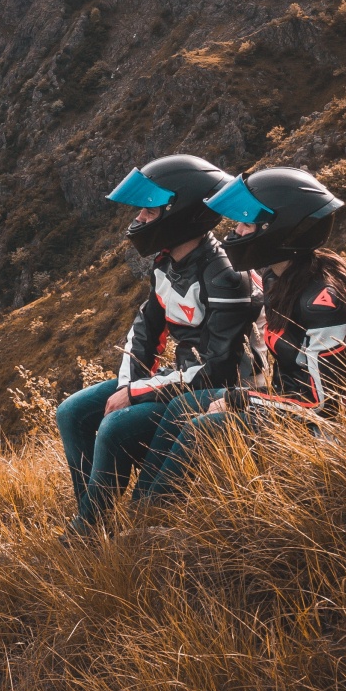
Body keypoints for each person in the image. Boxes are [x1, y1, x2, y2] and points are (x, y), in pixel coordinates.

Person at [132, 166, 346, 501]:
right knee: (183, 406)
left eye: (246, 223)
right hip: (293, 409)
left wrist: (243, 399)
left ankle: (155, 511)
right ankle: (143, 504)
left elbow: (327, 404)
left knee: (202, 426)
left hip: (336, 431)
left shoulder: (324, 303)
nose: (235, 231)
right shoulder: (281, 280)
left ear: (281, 230)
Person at [55, 154, 265, 533]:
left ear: (182, 212)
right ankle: (94, 515)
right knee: (71, 411)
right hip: (179, 378)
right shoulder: (167, 263)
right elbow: (145, 331)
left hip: (218, 387)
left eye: (149, 213)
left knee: (116, 425)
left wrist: (136, 395)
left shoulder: (226, 277)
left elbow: (221, 368)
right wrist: (126, 385)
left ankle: (88, 529)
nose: (139, 220)